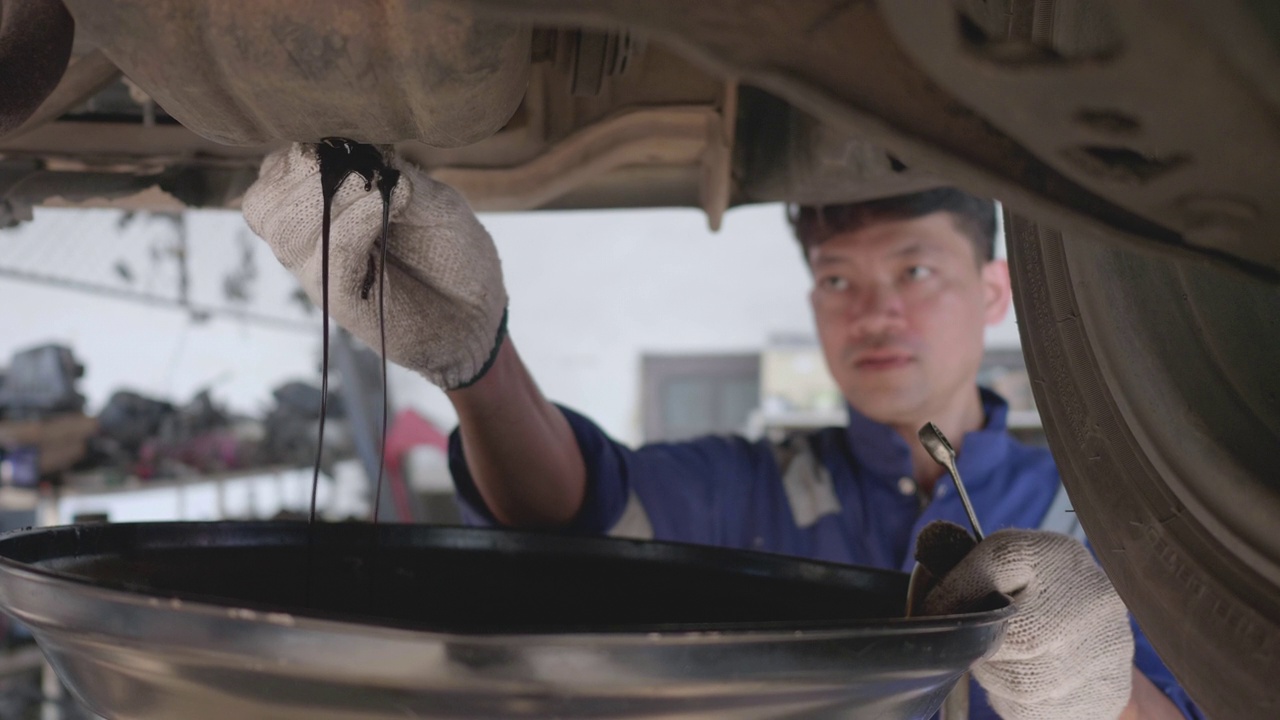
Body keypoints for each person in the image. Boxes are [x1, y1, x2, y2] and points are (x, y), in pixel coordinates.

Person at [245, 144, 1202, 720]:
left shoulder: (1102, 528)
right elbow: (576, 510)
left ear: (995, 293)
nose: (873, 313)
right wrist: (475, 362)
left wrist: (1102, 691)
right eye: (839, 280)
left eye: (914, 272)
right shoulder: (752, 485)